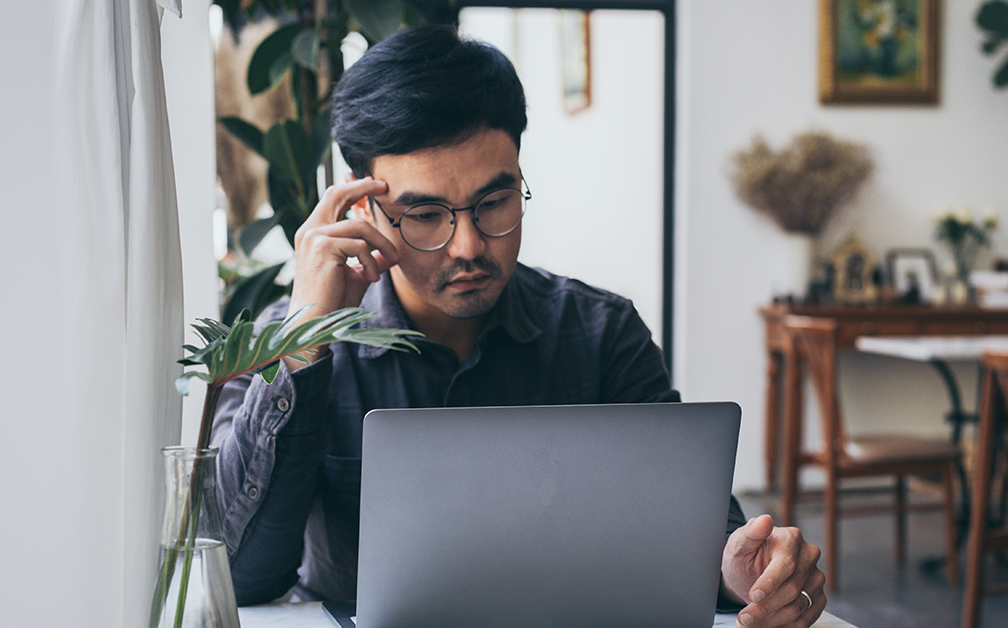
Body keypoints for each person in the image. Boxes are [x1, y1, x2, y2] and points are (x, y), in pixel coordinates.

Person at [211, 24, 825, 628]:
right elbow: (241, 577)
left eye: (494, 203)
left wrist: (744, 572)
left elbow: (697, 535)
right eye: (425, 214)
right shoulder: (292, 342)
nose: (470, 246)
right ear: (363, 208)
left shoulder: (601, 332)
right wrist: (303, 344)